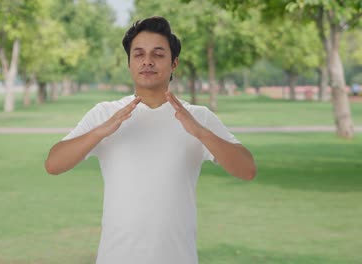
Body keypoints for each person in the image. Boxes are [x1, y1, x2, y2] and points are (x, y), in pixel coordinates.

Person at [45, 16, 257, 264]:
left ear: (174, 63)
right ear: (129, 63)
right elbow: (53, 164)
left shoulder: (198, 117)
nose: (147, 61)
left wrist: (200, 132)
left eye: (158, 54)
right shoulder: (105, 114)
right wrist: (100, 132)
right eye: (139, 54)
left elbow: (247, 170)